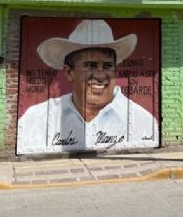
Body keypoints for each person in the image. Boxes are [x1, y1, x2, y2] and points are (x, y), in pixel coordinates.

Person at [17, 19, 158, 154]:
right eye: (90, 66)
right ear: (69, 72)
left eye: (108, 66)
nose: (100, 75)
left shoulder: (142, 120)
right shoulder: (37, 118)